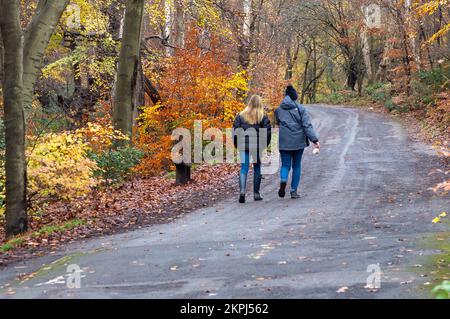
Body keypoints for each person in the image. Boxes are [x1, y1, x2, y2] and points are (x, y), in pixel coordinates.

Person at [274, 85, 320, 199]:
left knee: (285, 165)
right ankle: (293, 191)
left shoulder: (278, 110)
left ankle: (283, 180)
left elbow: (277, 123)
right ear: (295, 96)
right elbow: (306, 125)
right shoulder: (301, 109)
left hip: (284, 141)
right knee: (296, 166)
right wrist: (315, 140)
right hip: (298, 142)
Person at [233, 95, 272, 204]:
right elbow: (267, 133)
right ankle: (256, 193)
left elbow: (235, 132)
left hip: (243, 146)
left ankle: (242, 191)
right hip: (257, 146)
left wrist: (237, 144)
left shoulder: (240, 115)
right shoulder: (262, 117)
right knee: (257, 168)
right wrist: (264, 145)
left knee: (244, 168)